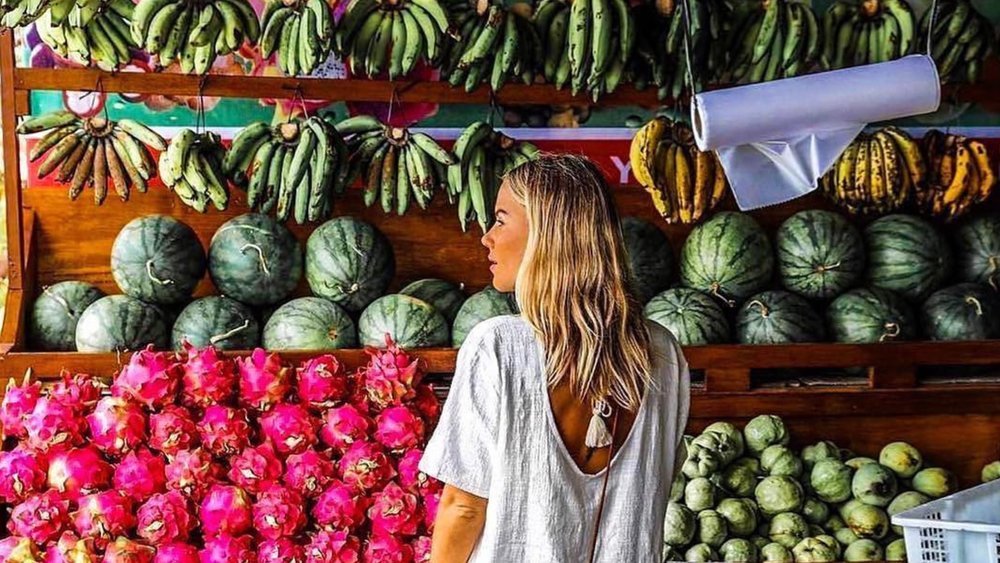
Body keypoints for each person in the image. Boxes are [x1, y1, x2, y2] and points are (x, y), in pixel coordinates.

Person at [419, 154, 691, 563]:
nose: (486, 238)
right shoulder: (663, 353)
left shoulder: (498, 346)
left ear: (547, 235)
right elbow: (657, 483)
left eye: (500, 219)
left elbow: (464, 506)